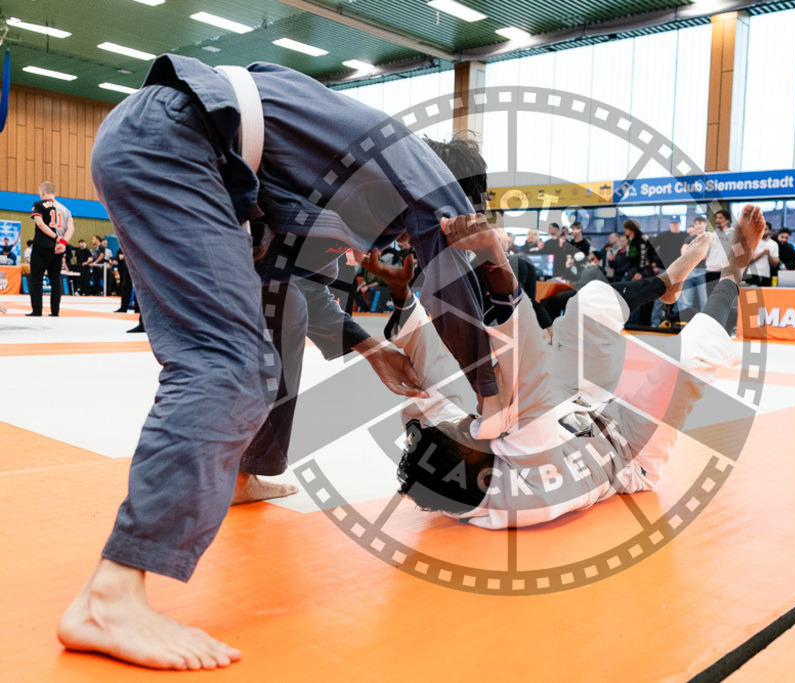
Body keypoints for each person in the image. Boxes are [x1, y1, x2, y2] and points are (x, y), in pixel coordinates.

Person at [58, 54, 500, 671]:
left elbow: (292, 282)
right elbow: (456, 291)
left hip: (160, 139)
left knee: (277, 316)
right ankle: (111, 596)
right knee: (227, 364)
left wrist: (370, 346)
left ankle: (244, 474)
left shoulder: (340, 174)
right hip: (172, 143)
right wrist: (495, 400)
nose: (404, 245)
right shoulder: (429, 177)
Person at [372, 206, 764, 529]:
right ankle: (736, 268)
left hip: (572, 404)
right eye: (469, 434)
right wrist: (495, 257)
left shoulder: (451, 482)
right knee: (687, 359)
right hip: (627, 451)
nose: (470, 423)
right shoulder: (527, 470)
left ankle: (669, 279)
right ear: (487, 470)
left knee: (588, 304)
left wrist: (402, 295)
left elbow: (436, 385)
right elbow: (526, 364)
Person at [28, 181, 75, 317]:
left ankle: (37, 311)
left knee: (36, 279)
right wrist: (63, 242)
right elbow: (71, 228)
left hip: (42, 246)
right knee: (55, 280)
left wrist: (55, 237)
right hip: (59, 249)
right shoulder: (65, 209)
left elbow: (40, 224)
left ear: (42, 192)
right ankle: (55, 311)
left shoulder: (38, 204)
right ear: (55, 193)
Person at [650, 215, 691, 326]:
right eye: (672, 222)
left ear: (680, 224)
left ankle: (677, 323)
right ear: (669, 223)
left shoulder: (685, 236)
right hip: (664, 270)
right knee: (659, 298)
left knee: (678, 298)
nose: (674, 224)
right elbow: (651, 248)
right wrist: (653, 263)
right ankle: (655, 324)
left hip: (679, 271)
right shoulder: (663, 236)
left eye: (676, 223)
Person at [744, 220, 779, 287]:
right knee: (752, 296)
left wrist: (768, 255)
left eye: (765, 229)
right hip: (752, 274)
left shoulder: (774, 244)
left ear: (770, 231)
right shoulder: (753, 242)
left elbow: (775, 264)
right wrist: (762, 253)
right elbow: (748, 261)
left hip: (766, 275)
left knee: (765, 296)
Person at [705, 209, 733, 287]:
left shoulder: (733, 234)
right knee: (710, 297)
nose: (717, 220)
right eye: (716, 218)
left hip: (725, 272)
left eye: (720, 218)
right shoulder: (712, 234)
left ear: (727, 220)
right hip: (710, 271)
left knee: (724, 297)